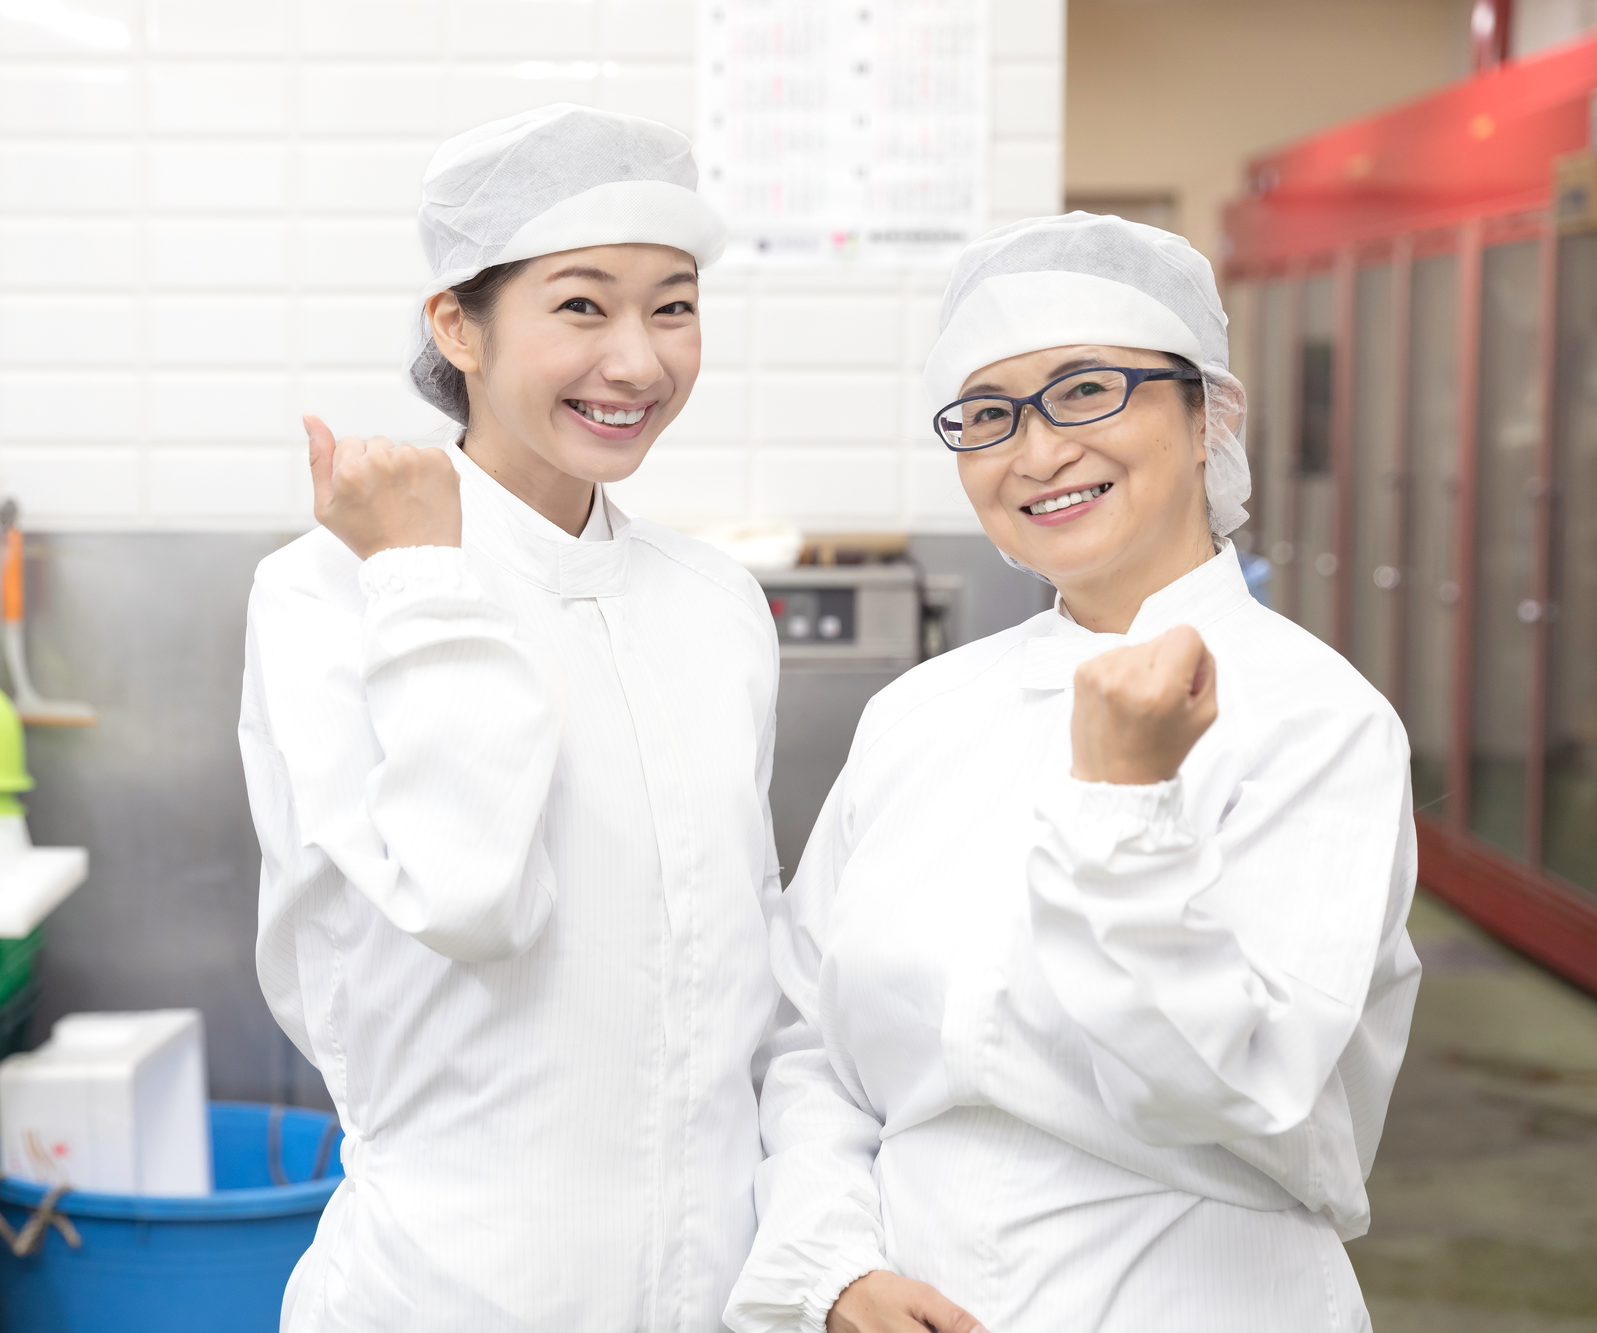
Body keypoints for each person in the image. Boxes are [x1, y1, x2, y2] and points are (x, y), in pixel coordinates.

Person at [725, 213, 1420, 1333]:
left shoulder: (1315, 719)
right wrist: (832, 1266)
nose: (1037, 451)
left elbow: (1235, 1081)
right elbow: (808, 1039)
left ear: (1208, 417)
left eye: (1086, 388)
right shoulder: (919, 713)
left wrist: (1121, 806)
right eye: (987, 413)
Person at [238, 105, 782, 1331]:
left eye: (673, 306)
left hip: (711, 1287)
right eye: (582, 306)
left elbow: (751, 972)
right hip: (455, 1284)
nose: (637, 362)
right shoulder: (331, 587)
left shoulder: (714, 604)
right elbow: (468, 897)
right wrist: (424, 579)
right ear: (456, 325)